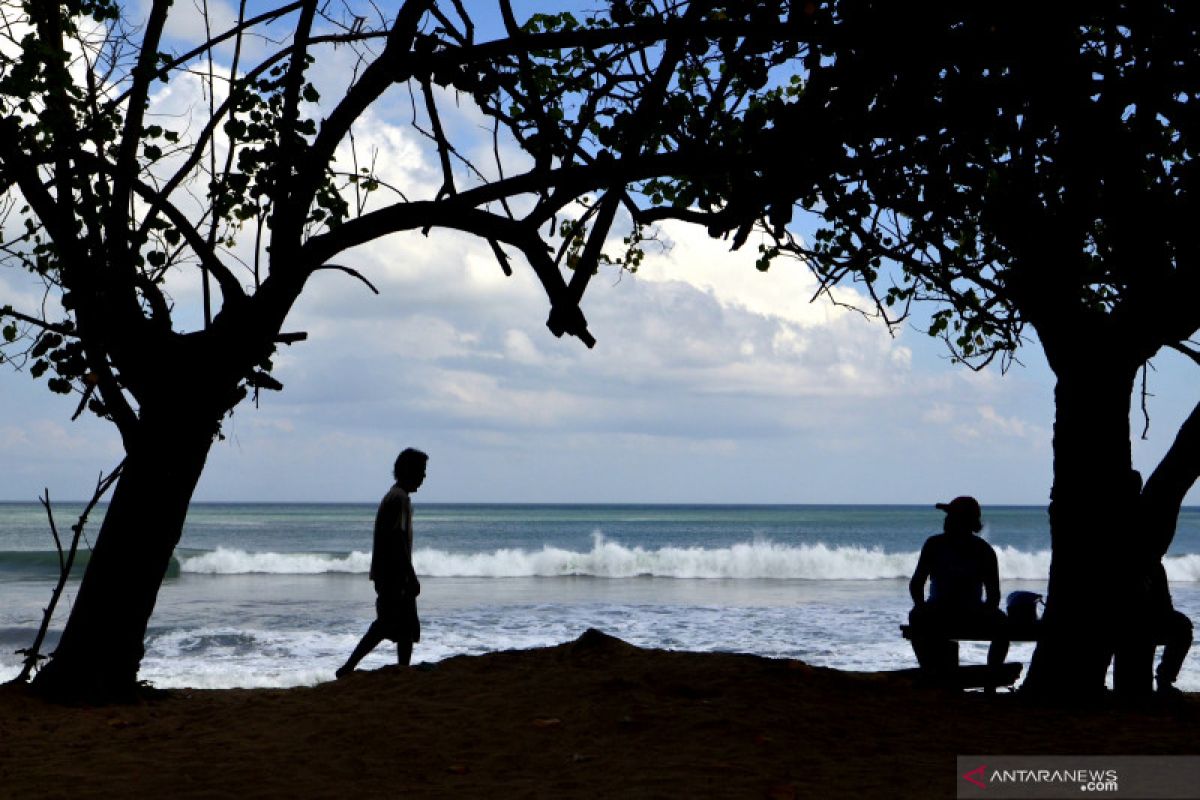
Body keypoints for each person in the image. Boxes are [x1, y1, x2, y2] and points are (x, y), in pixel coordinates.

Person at [336, 448, 428, 678]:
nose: (424, 477)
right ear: (410, 471)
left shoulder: (396, 497)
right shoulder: (398, 499)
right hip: (393, 574)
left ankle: (401, 669)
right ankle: (349, 667)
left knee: (402, 625)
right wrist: (411, 575)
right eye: (421, 471)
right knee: (388, 624)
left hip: (389, 573)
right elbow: (398, 540)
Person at [908, 496, 1009, 672]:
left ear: (962, 520)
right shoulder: (984, 549)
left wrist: (922, 606)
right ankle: (990, 677)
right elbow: (994, 596)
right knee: (1003, 624)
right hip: (967, 612)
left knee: (916, 616)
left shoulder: (935, 544)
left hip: (945, 612)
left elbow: (916, 584)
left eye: (951, 516)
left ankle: (929, 671)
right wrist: (984, 611)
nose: (946, 520)